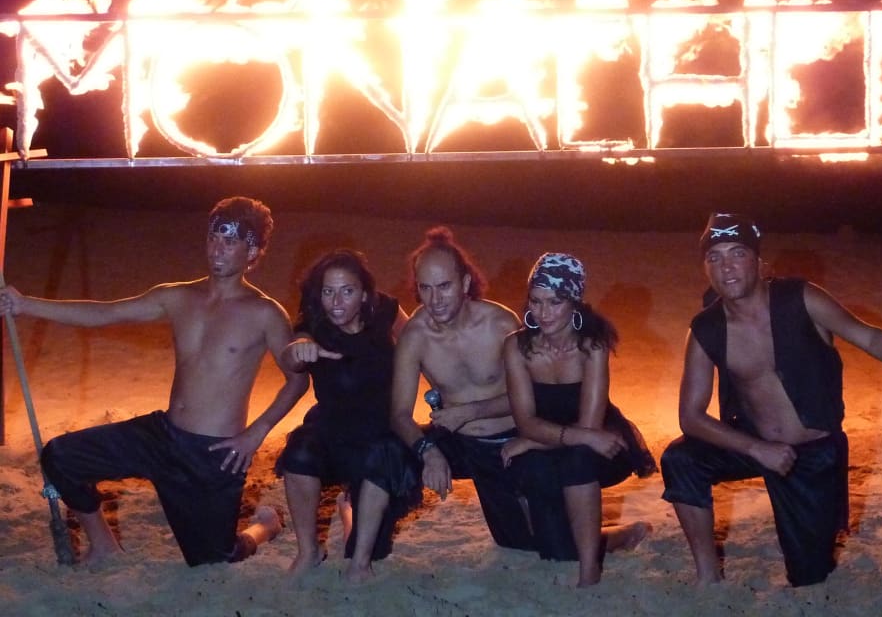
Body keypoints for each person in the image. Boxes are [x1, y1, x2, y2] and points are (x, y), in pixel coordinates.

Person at [0, 196, 305, 566]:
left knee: (214, 558)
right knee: (60, 457)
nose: (217, 249)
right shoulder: (177, 296)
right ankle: (103, 545)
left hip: (213, 453)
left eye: (230, 242)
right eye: (213, 238)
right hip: (161, 437)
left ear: (253, 251)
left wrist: (255, 433)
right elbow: (107, 313)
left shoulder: (265, 313)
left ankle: (265, 527)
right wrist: (26, 305)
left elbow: (296, 381)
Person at [660, 212, 882, 588]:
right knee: (681, 459)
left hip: (811, 455)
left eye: (737, 253)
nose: (727, 266)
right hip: (753, 444)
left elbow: (868, 338)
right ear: (705, 267)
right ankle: (708, 574)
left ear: (758, 260)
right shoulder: (705, 329)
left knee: (809, 577)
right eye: (714, 257)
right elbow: (690, 417)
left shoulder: (802, 299)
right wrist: (756, 448)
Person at [343, 226, 534, 583]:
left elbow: (531, 398)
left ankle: (610, 537)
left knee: (526, 542)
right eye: (425, 288)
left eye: (444, 286)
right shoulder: (416, 335)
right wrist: (428, 450)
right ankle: (359, 564)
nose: (435, 299)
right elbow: (400, 414)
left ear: (465, 283)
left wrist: (470, 411)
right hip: (457, 441)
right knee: (384, 453)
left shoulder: (501, 324)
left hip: (509, 441)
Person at [502, 253, 658, 587]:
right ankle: (618, 537)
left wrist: (535, 441)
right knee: (556, 551)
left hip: (597, 444)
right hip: (549, 442)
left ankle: (590, 571)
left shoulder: (592, 346)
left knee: (578, 460)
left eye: (554, 302)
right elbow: (525, 421)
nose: (543, 313)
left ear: (574, 302)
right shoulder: (516, 347)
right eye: (535, 301)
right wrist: (534, 439)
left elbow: (590, 427)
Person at [274, 249, 408, 575]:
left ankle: (351, 522)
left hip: (380, 435)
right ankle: (309, 551)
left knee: (369, 551)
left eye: (347, 291)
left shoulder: (385, 311)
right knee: (299, 450)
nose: (336, 301)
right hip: (332, 432)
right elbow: (292, 355)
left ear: (364, 294)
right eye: (328, 291)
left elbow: (420, 344)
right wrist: (297, 350)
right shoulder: (313, 324)